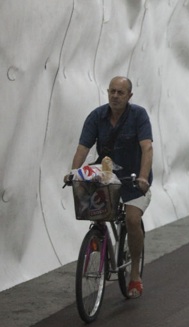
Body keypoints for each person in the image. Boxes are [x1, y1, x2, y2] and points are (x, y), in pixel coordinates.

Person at [67, 76, 153, 298]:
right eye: (112, 91)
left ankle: (134, 273)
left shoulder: (139, 116)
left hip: (133, 180)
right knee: (96, 212)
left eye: (120, 92)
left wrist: (143, 178)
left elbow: (147, 148)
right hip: (106, 177)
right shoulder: (96, 117)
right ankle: (100, 241)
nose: (115, 96)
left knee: (132, 219)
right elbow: (82, 149)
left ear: (129, 96)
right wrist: (73, 172)